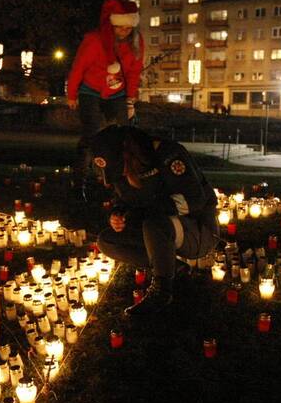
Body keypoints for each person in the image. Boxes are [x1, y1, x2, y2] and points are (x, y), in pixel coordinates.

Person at [92, 125, 218, 317]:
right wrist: (119, 213)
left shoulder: (168, 154)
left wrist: (149, 210)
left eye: (120, 167)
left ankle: (161, 291)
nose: (121, 175)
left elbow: (195, 199)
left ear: (129, 153)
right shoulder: (121, 171)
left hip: (197, 231)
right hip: (157, 231)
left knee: (155, 223)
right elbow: (125, 198)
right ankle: (175, 268)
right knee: (106, 241)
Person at [66, 0, 145, 203]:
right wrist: (72, 94)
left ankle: (122, 180)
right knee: (91, 134)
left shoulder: (136, 42)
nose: (124, 32)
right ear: (111, 25)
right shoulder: (94, 40)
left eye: (129, 28)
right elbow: (78, 68)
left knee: (124, 135)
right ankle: (79, 181)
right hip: (90, 90)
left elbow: (134, 72)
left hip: (117, 92)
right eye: (120, 28)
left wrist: (130, 100)